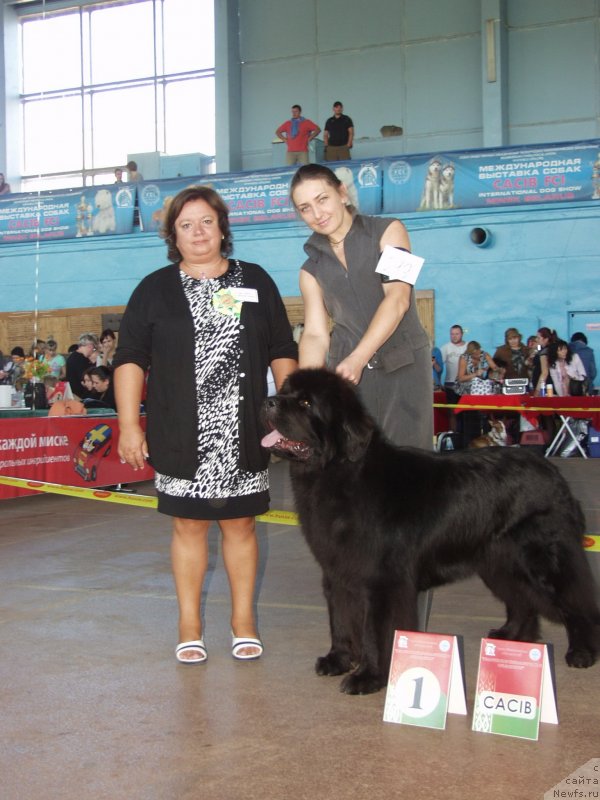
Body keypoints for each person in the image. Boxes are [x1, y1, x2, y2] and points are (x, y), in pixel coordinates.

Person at [113, 185, 297, 665]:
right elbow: (130, 358)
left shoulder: (254, 279)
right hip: (178, 429)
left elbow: (281, 348)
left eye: (207, 222)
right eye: (186, 224)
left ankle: (243, 623)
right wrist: (129, 425)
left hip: (243, 429)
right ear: (173, 234)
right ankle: (189, 626)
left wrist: (294, 414)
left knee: (240, 525)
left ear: (223, 227)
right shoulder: (154, 288)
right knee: (189, 527)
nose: (198, 232)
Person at [290, 162, 432, 624]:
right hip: (352, 383)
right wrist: (304, 395)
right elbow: (314, 333)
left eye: (322, 199)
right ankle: (363, 623)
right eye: (304, 208)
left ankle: (409, 630)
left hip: (401, 369)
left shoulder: (390, 230)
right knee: (354, 497)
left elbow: (398, 299)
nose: (316, 213)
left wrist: (355, 359)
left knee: (408, 495)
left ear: (342, 193)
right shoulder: (310, 268)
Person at [66, 333, 98, 399]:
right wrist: (94, 362)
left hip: (75, 393)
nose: (93, 351)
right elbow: (86, 378)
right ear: (90, 346)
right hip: (82, 395)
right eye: (94, 349)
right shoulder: (80, 358)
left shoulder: (73, 356)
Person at [531, 327, 557, 395]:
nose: (536, 339)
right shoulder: (544, 349)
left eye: (538, 338)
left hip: (544, 387)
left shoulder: (544, 352)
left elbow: (544, 372)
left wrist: (537, 390)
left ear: (546, 339)